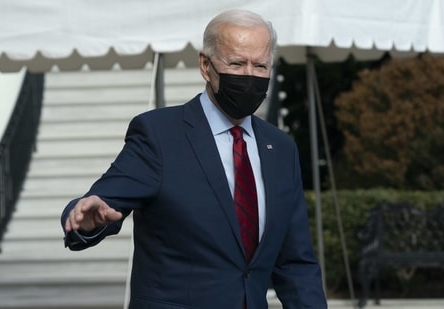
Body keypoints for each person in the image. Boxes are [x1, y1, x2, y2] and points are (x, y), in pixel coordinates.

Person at [61, 9, 327, 309]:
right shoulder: (159, 135)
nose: (250, 76)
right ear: (205, 65)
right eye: (237, 63)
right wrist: (85, 221)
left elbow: (295, 264)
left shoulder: (280, 149)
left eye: (261, 65)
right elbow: (101, 203)